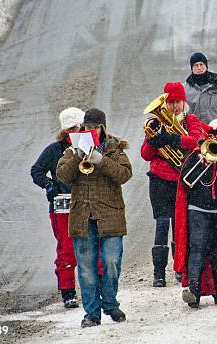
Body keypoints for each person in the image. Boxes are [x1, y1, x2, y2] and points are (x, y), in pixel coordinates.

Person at [56, 108, 132, 327]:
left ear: (102, 128)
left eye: (94, 127)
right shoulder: (72, 149)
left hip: (110, 214)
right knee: (87, 269)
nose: (90, 130)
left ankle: (110, 303)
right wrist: (78, 156)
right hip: (82, 216)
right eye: (87, 127)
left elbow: (125, 174)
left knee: (111, 261)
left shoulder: (113, 148)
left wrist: (100, 160)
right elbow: (62, 175)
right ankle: (91, 313)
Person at [173, 119, 217, 308]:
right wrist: (200, 163)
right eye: (211, 136)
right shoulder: (197, 153)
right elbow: (185, 181)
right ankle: (194, 291)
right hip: (198, 208)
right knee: (197, 248)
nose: (214, 140)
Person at [140, 82, 203, 287]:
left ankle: (179, 268)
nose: (175, 106)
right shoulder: (156, 123)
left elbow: (196, 141)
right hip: (159, 180)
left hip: (181, 180)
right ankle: (159, 273)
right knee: (161, 224)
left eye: (178, 102)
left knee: (180, 225)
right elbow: (145, 154)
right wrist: (153, 140)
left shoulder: (191, 120)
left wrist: (173, 139)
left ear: (183, 102)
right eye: (171, 103)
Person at [30, 107, 85, 309]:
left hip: (86, 203)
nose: (78, 131)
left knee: (92, 247)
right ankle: (68, 292)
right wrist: (48, 184)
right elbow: (36, 170)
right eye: (74, 128)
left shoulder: (91, 146)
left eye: (81, 127)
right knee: (67, 250)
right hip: (62, 205)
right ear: (66, 131)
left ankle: (94, 287)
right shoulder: (54, 150)